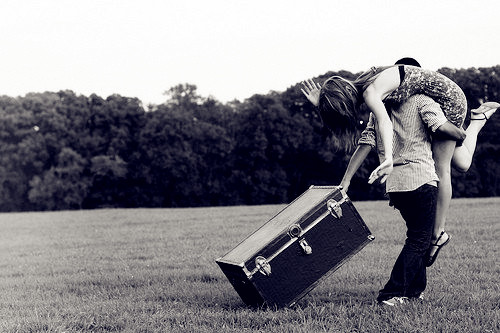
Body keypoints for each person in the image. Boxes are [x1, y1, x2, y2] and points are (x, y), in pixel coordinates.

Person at [301, 65, 499, 266]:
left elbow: (384, 123)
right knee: (463, 163)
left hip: (448, 101)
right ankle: (477, 120)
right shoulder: (365, 86)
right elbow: (368, 138)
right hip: (435, 105)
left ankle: (438, 234)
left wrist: (388, 157)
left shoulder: (371, 92)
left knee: (442, 169)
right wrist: (346, 181)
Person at [340, 94, 443, 305]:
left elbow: (366, 142)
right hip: (420, 178)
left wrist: (346, 179)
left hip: (395, 184)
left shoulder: (380, 107)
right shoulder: (422, 100)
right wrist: (464, 131)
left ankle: (414, 291)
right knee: (419, 239)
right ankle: (392, 294)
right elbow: (441, 128)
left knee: (418, 236)